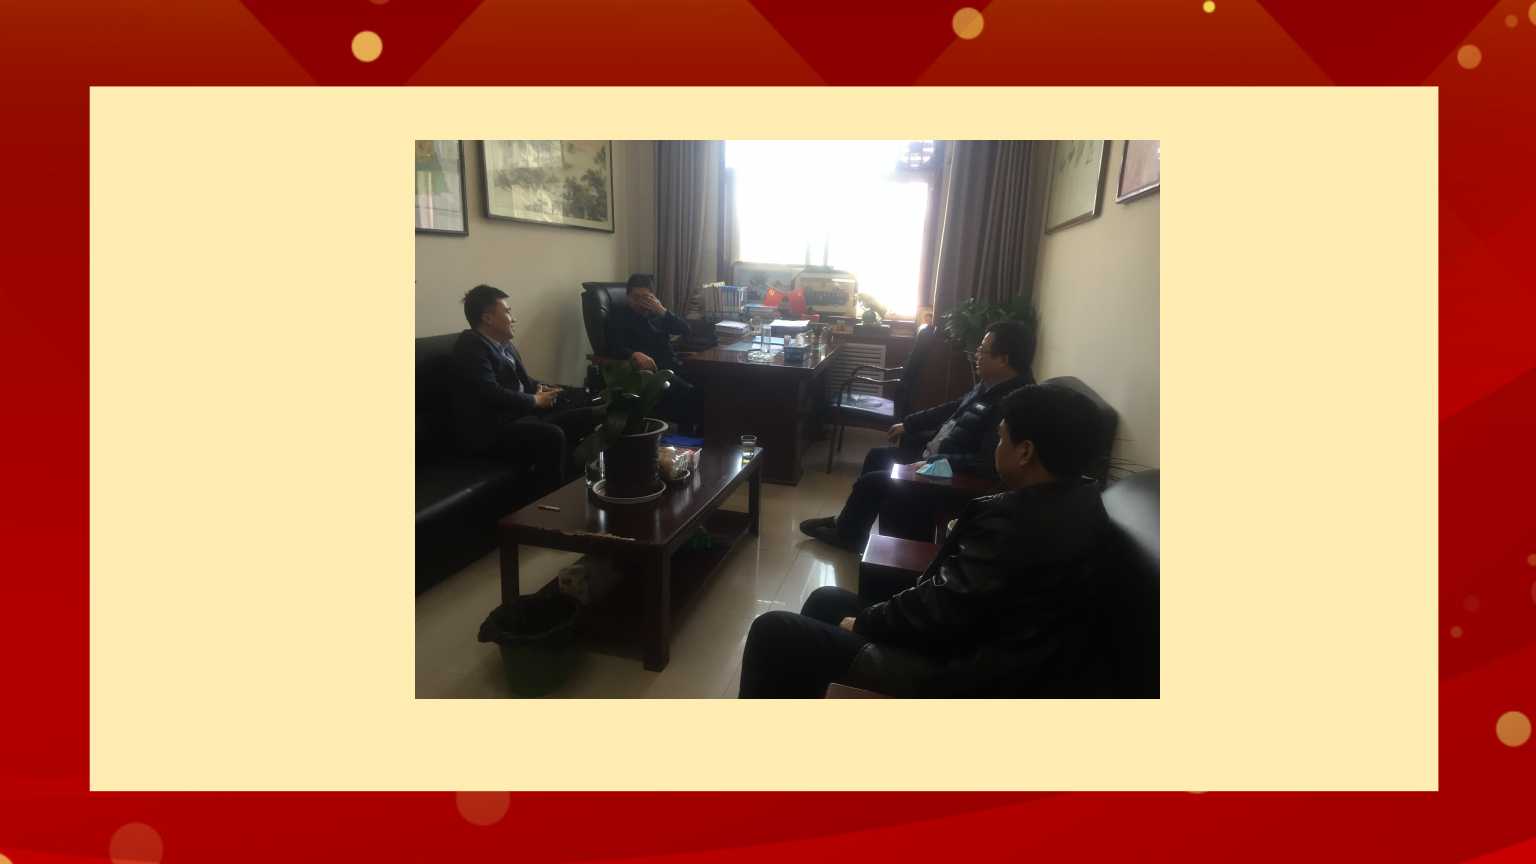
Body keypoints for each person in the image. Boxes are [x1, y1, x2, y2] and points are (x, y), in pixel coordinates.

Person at [739, 383, 1113, 698]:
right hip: (980, 643)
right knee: (826, 600)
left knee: (773, 631)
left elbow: (940, 610)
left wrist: (865, 624)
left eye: (1001, 438)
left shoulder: (1019, 525)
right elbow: (959, 598)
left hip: (957, 671)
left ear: (1025, 452)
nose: (996, 447)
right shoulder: (1079, 500)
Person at [799, 319, 1036, 551]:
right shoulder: (989, 384)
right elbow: (953, 408)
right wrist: (910, 424)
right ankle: (849, 526)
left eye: (983, 350)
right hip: (935, 457)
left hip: (948, 474)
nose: (976, 354)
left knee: (871, 482)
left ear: (1004, 359)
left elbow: (986, 464)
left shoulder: (1012, 405)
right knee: (876, 456)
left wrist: (936, 461)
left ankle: (847, 534)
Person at [450, 284, 600, 489]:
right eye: (508, 312)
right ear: (488, 318)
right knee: (552, 435)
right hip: (490, 430)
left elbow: (525, 382)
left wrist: (554, 390)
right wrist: (534, 400)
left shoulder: (504, 345)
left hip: (518, 415)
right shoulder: (470, 347)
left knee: (581, 406)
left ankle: (579, 484)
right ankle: (549, 499)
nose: (513, 319)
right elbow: (490, 392)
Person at [604, 273, 703, 433]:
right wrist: (634, 354)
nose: (640, 302)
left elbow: (685, 329)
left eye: (646, 297)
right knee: (691, 393)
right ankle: (688, 436)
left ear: (653, 297)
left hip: (673, 364)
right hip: (653, 372)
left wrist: (662, 310)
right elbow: (614, 347)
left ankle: (700, 435)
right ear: (628, 297)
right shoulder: (619, 317)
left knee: (712, 382)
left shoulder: (657, 314)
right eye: (636, 297)